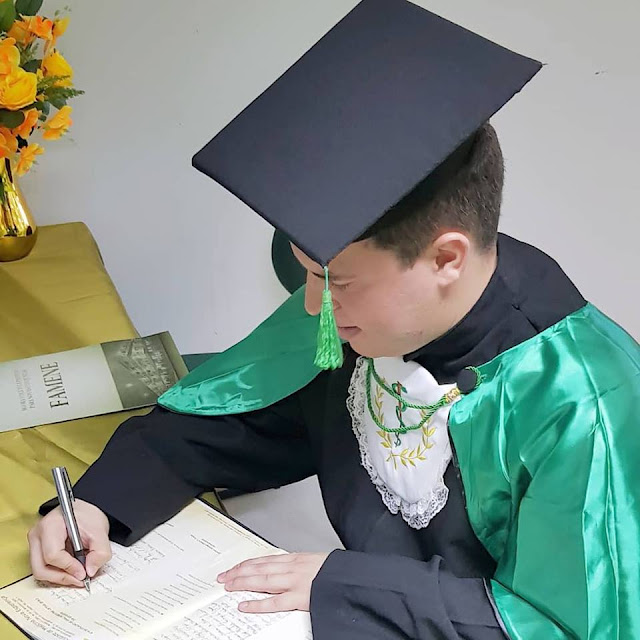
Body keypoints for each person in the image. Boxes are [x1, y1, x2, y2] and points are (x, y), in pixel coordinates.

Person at [28, 1, 640, 638]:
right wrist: (100, 503)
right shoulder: (358, 316)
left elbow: (571, 624)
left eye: (337, 282)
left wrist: (349, 587)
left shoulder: (581, 405)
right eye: (309, 274)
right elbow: (243, 423)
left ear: (446, 259)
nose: (312, 305)